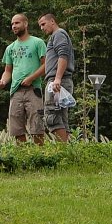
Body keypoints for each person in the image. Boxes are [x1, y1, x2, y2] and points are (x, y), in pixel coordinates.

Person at [0, 12, 46, 144]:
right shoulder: (10, 48)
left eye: (17, 23)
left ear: (25, 24)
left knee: (37, 127)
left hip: (33, 90)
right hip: (16, 91)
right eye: (12, 24)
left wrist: (31, 78)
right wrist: (3, 81)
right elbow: (8, 71)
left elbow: (46, 65)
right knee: (16, 129)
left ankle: (40, 154)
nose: (14, 26)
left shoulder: (38, 43)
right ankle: (22, 154)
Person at [37, 12, 75, 142]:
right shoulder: (57, 35)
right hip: (60, 80)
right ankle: (67, 150)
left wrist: (57, 79)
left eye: (43, 24)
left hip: (58, 81)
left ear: (52, 21)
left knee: (52, 116)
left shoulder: (58, 34)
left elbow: (63, 55)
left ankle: (61, 149)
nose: (42, 28)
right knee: (61, 118)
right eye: (40, 26)